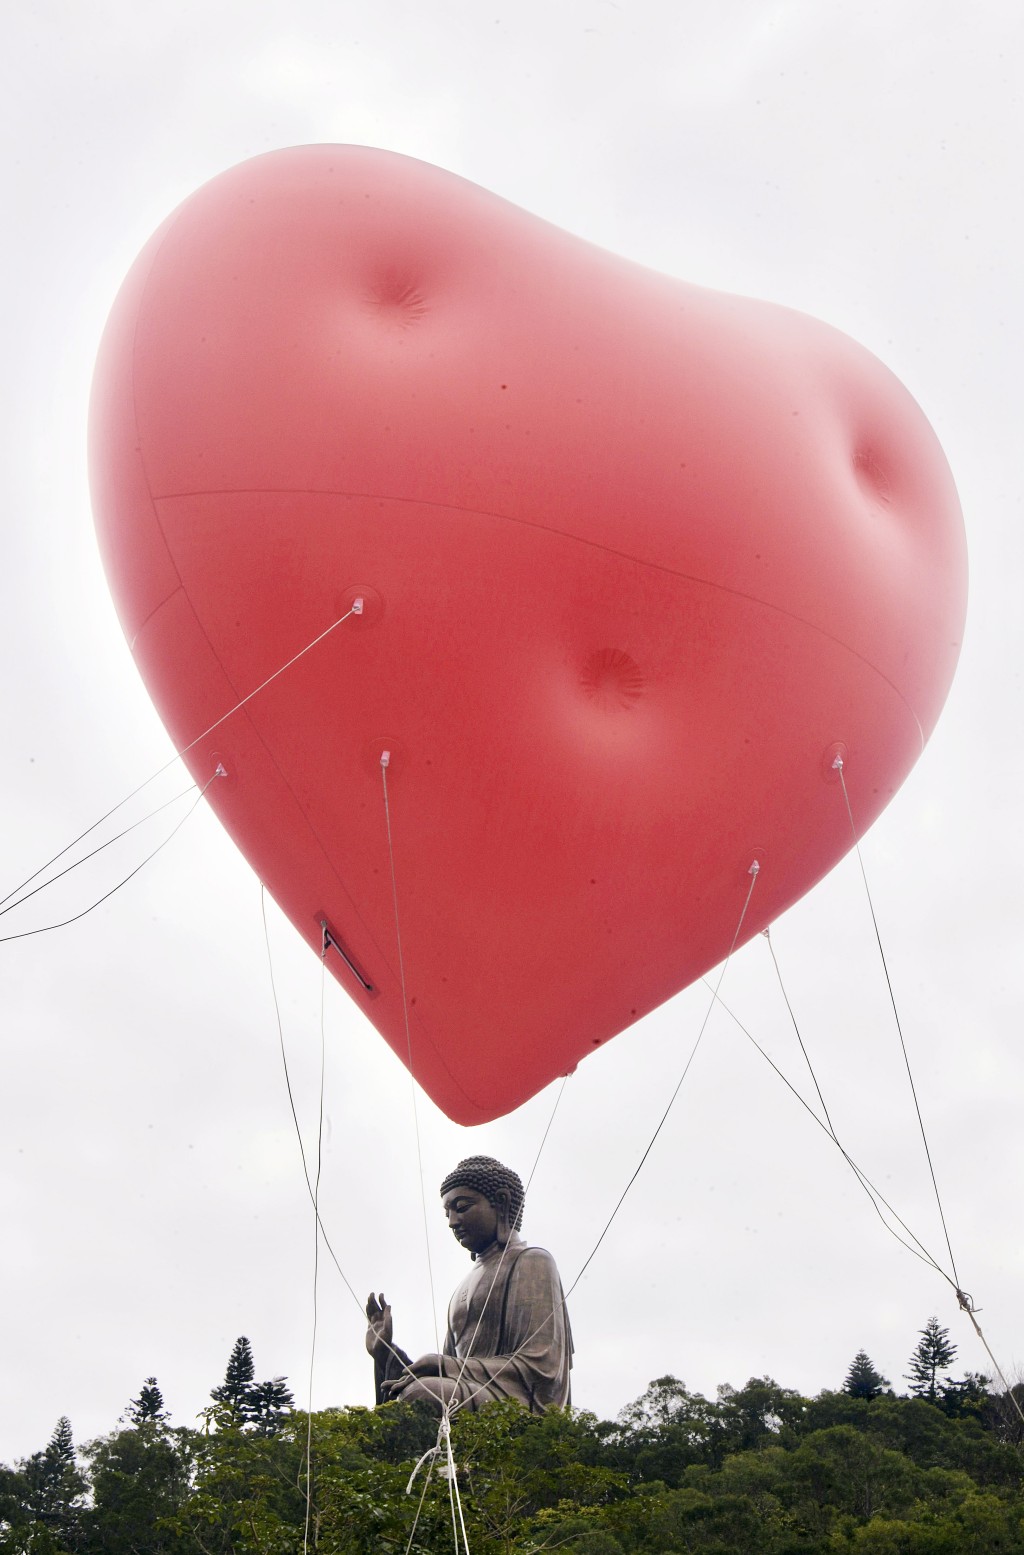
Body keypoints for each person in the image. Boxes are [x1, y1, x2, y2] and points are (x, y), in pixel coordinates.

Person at [365, 1156, 572, 1413]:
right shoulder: (462, 1288)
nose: (452, 1221)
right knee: (414, 1395)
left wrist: (445, 1365)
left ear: (502, 1202)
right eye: (447, 1213)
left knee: (423, 1394)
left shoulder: (532, 1262)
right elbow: (447, 1372)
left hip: (515, 1401)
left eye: (462, 1207)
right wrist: (385, 1352)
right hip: (470, 1391)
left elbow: (542, 1368)